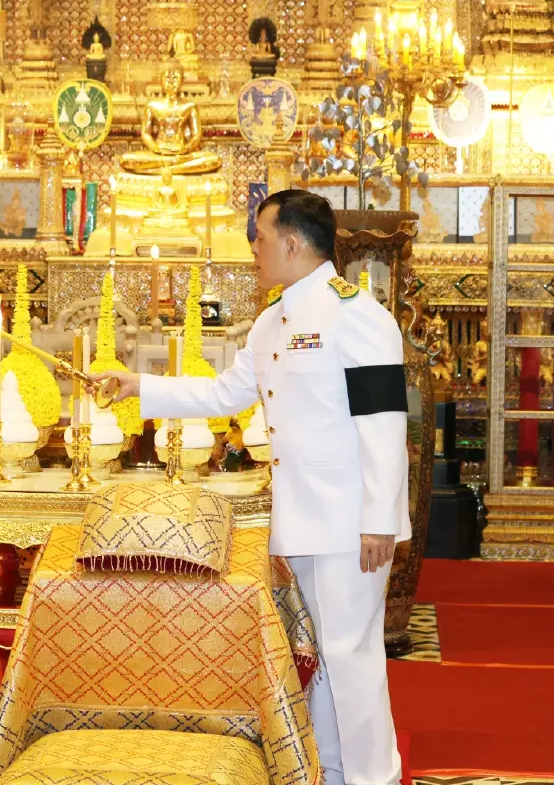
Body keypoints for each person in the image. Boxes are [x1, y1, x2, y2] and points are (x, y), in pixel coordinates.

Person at [93, 189, 408, 785]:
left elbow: (384, 422)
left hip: (352, 523)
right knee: (327, 658)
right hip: (304, 522)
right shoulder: (271, 322)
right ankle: (332, 771)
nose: (253, 251)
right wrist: (137, 385)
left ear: (292, 242)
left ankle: (376, 776)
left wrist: (380, 518)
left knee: (352, 657)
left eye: (259, 239)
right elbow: (222, 395)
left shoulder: (356, 314)